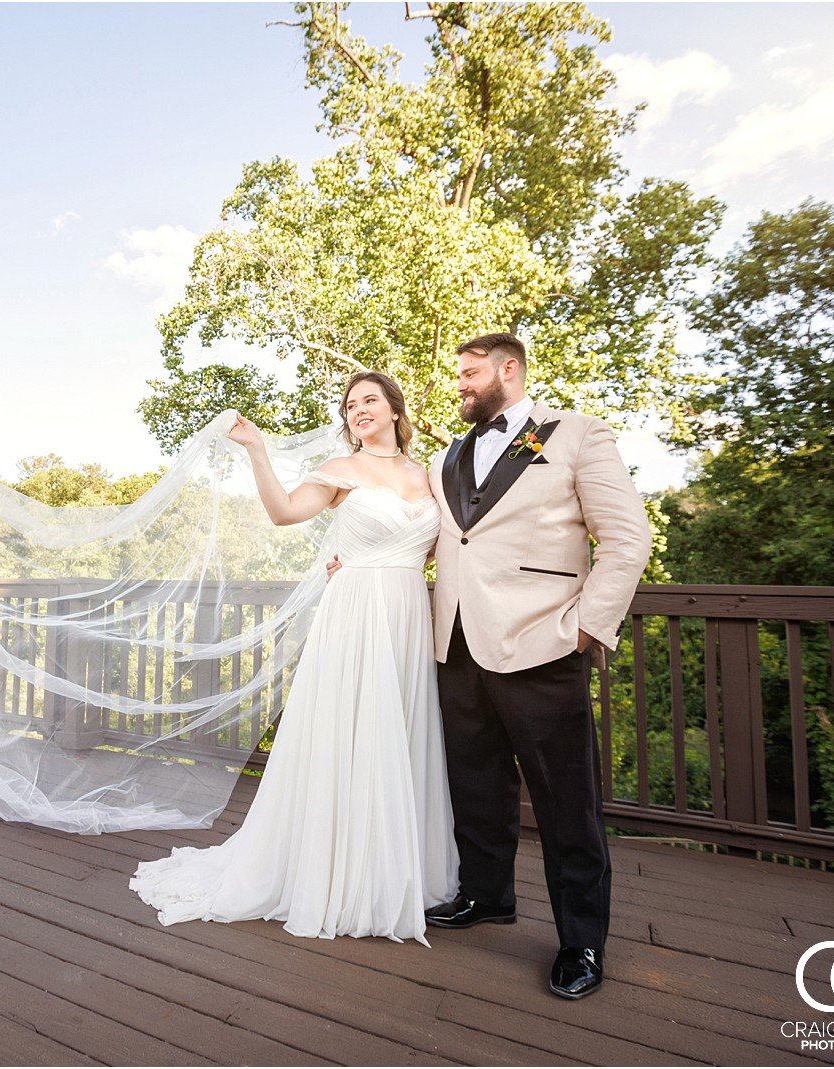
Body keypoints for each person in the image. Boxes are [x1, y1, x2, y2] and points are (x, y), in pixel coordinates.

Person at [130, 371, 459, 942]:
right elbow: (282, 512)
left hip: (408, 613)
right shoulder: (341, 471)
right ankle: (332, 874)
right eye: (351, 404)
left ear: (394, 409)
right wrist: (258, 449)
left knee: (397, 733)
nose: (359, 410)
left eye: (370, 400)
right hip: (355, 612)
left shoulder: (429, 474)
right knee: (347, 732)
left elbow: (445, 547)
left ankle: (394, 872)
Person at [408, 333, 650, 1000]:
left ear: (508, 369)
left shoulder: (575, 435)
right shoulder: (450, 453)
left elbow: (628, 538)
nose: (459, 384)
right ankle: (485, 896)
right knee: (476, 786)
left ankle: (582, 942)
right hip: (456, 646)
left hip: (544, 645)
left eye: (469, 373)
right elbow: (445, 539)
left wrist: (585, 629)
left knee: (566, 803)